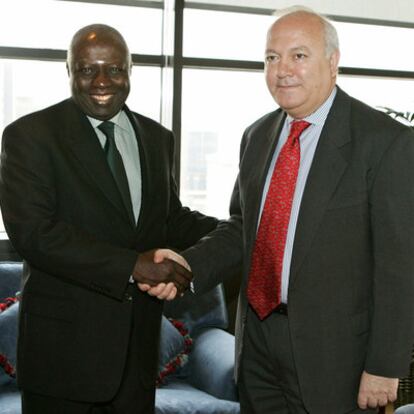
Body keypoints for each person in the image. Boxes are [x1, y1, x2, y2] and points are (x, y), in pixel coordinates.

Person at [153, 6, 414, 413]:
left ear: (332, 62)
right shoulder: (257, 136)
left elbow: (400, 265)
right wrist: (187, 266)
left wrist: (385, 366)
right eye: (272, 57)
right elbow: (245, 230)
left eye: (299, 55)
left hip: (336, 357)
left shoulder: (385, 143)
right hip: (257, 346)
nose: (282, 69)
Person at [0, 24, 217, 414]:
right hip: (61, 362)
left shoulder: (157, 138)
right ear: (69, 71)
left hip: (135, 358)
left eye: (115, 70)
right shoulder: (29, 136)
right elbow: (34, 234)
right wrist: (133, 266)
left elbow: (169, 218)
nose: (102, 81)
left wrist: (241, 229)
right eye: (87, 70)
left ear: (130, 71)